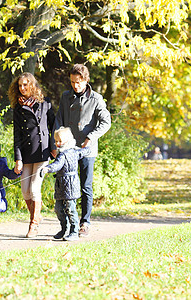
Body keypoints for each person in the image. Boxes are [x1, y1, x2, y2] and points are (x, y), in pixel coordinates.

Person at [55, 64, 111, 237]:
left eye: (78, 82)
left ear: (86, 80)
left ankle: (84, 222)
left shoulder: (96, 99)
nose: (75, 85)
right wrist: (55, 144)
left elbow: (105, 122)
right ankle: (66, 224)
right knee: (65, 185)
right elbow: (59, 120)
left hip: (87, 149)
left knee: (86, 186)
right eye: (72, 82)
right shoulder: (66, 97)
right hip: (67, 148)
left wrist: (91, 137)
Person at [9, 72, 56, 238]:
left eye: (25, 85)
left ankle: (33, 225)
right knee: (25, 192)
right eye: (20, 85)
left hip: (42, 152)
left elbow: (53, 126)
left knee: (35, 189)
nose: (22, 88)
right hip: (26, 153)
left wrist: (54, 146)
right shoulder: (18, 108)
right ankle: (37, 215)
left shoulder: (45, 103)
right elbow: (17, 135)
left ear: (32, 85)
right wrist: (18, 158)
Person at [40, 127, 90, 241]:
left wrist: (47, 168)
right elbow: (84, 151)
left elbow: (57, 164)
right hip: (61, 184)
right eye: (56, 141)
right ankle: (64, 228)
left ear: (67, 141)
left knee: (71, 209)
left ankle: (74, 231)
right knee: (58, 208)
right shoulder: (63, 152)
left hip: (70, 184)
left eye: (60, 141)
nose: (57, 143)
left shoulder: (68, 153)